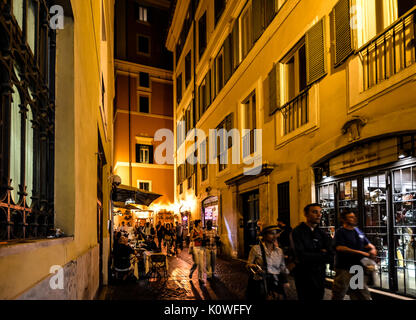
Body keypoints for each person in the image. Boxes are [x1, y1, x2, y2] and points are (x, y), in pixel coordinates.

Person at [290, 203, 334, 300]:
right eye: (315, 212)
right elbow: (301, 255)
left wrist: (315, 253)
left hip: (319, 275)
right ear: (306, 214)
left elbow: (331, 254)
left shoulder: (322, 234)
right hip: (304, 275)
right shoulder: (297, 232)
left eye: (320, 212)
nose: (319, 215)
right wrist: (322, 253)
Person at [331, 211, 377, 300]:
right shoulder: (340, 232)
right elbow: (340, 248)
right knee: (339, 292)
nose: (354, 218)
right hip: (344, 268)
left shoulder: (357, 231)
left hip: (358, 267)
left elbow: (367, 243)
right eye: (350, 217)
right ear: (344, 219)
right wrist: (361, 253)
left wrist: (373, 248)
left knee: (360, 292)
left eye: (354, 216)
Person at [246, 223, 290, 300]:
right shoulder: (256, 249)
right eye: (271, 234)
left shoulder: (280, 251)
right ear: (264, 235)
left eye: (276, 233)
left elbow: (282, 268)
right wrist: (252, 267)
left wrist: (285, 280)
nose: (274, 236)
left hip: (275, 282)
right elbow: (248, 265)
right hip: (260, 283)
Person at [190, 220, 205, 284]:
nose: (201, 224)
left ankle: (200, 278)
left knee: (201, 264)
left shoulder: (202, 230)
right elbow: (191, 239)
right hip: (195, 247)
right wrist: (197, 237)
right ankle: (191, 271)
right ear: (198, 223)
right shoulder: (193, 230)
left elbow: (203, 238)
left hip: (201, 247)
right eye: (201, 223)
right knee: (196, 262)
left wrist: (202, 238)